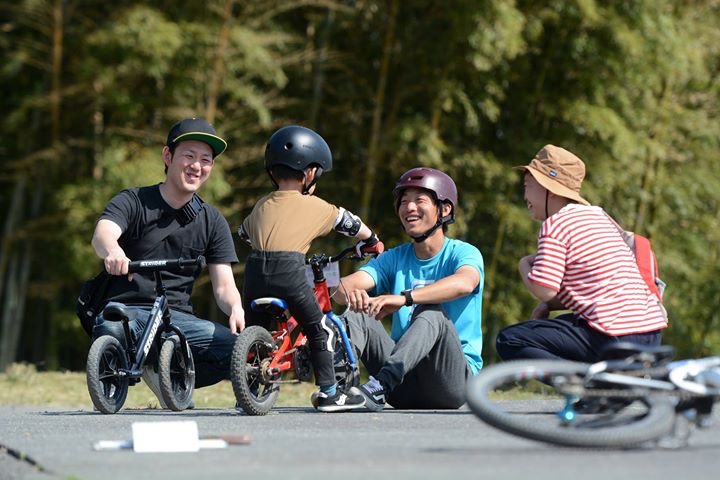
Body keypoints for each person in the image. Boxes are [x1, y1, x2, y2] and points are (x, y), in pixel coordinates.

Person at [91, 117, 244, 406]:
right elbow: (103, 233)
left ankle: (170, 375)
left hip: (178, 319)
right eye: (189, 155)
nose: (197, 166)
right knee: (110, 326)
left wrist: (235, 307)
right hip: (130, 311)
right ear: (168, 156)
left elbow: (224, 286)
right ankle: (144, 371)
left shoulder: (212, 220)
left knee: (236, 351)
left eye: (206, 160)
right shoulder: (133, 200)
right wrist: (113, 251)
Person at [238, 125, 383, 413]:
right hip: (289, 272)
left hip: (254, 274)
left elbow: (243, 233)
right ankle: (329, 392)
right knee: (317, 330)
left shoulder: (261, 204)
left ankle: (247, 391)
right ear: (309, 173)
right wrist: (372, 241)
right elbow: (349, 222)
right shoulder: (315, 205)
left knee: (256, 331)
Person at [495, 144, 668, 362]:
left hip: (612, 335)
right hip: (650, 334)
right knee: (571, 322)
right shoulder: (600, 217)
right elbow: (594, 290)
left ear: (548, 188)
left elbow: (544, 289)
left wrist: (523, 264)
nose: (525, 196)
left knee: (510, 339)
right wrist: (549, 306)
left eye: (527, 185)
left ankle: (591, 385)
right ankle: (606, 388)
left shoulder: (557, 224)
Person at [336, 167, 484, 411]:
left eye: (419, 200)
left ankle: (379, 385)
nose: (409, 208)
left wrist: (404, 299)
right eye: (404, 201)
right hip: (402, 385)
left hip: (451, 384)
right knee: (356, 315)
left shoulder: (463, 252)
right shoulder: (394, 257)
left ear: (444, 209)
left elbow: (465, 283)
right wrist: (354, 295)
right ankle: (339, 389)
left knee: (431, 312)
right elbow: (343, 288)